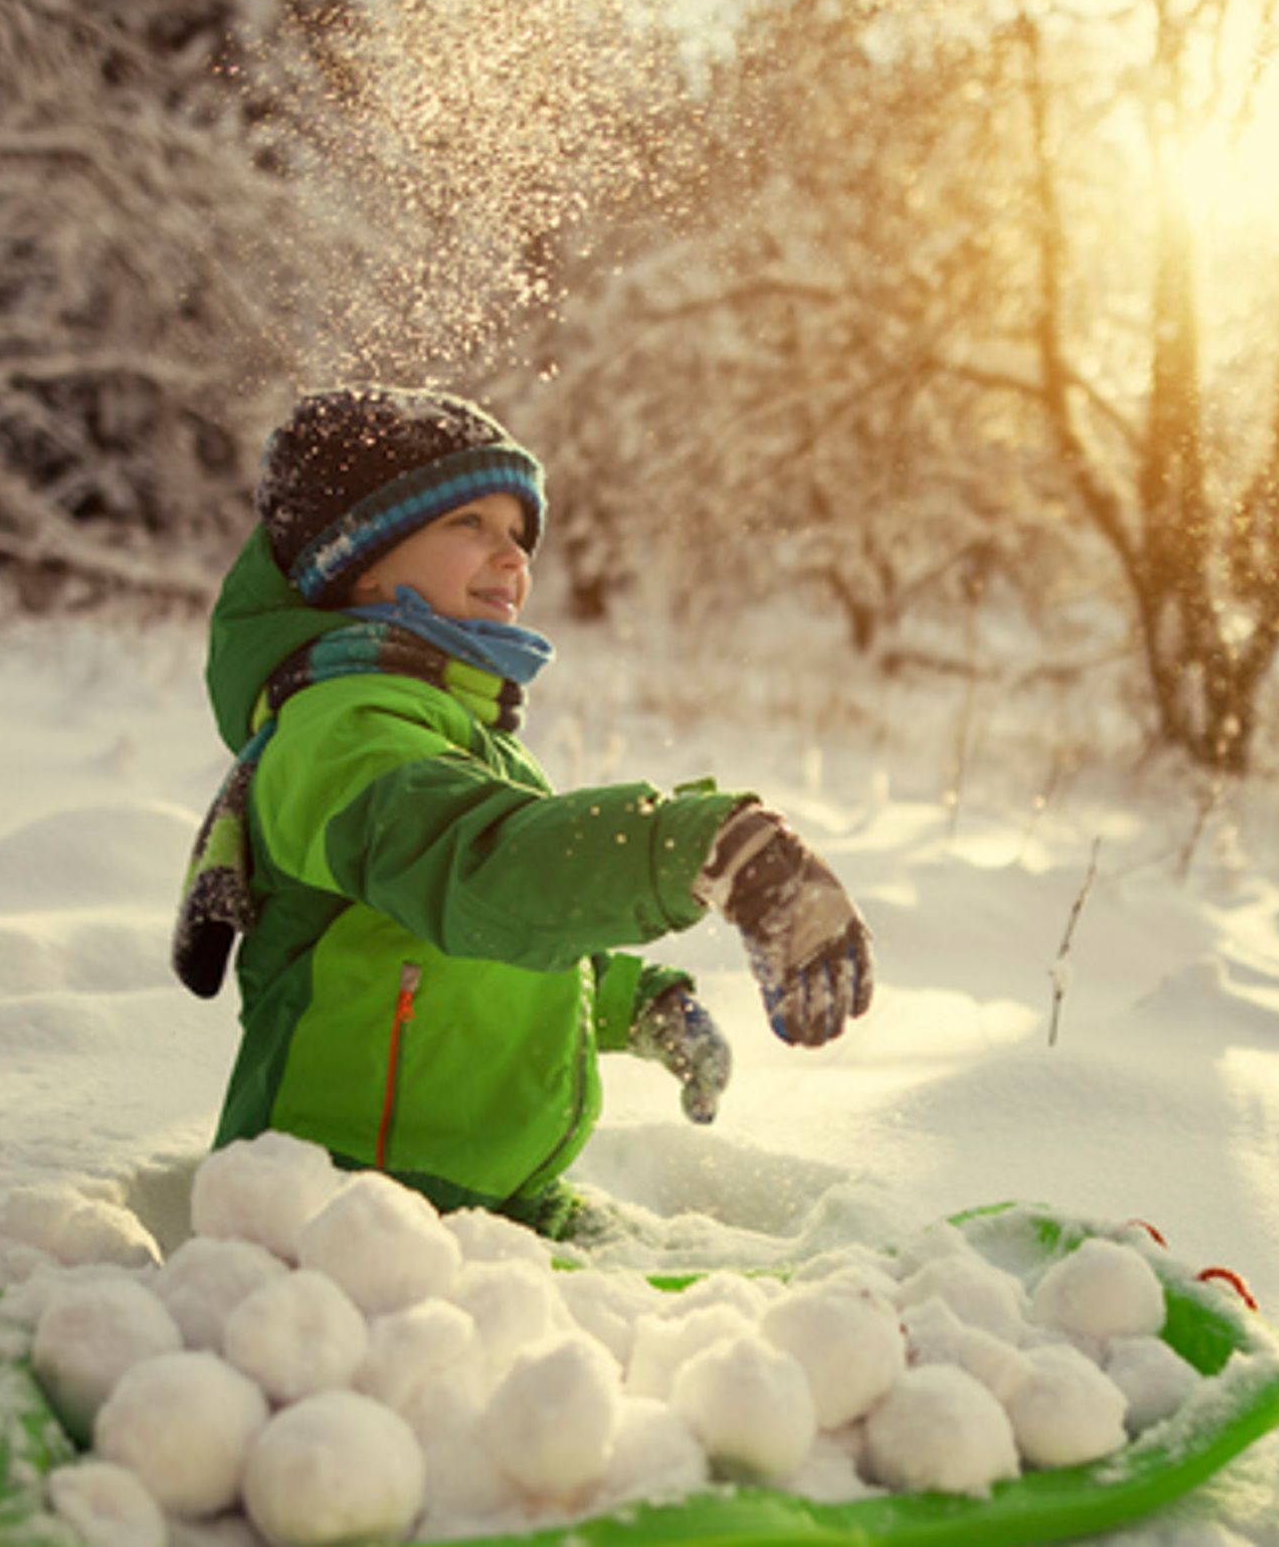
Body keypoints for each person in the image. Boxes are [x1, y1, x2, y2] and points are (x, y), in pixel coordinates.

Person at [171, 384, 875, 1237]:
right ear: (357, 559)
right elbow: (480, 875)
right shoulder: (343, 731)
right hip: (339, 1211)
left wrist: (638, 1001)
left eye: (517, 534)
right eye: (467, 524)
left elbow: (492, 950)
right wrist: (706, 847)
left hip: (482, 1204)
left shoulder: (458, 733)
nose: (512, 559)